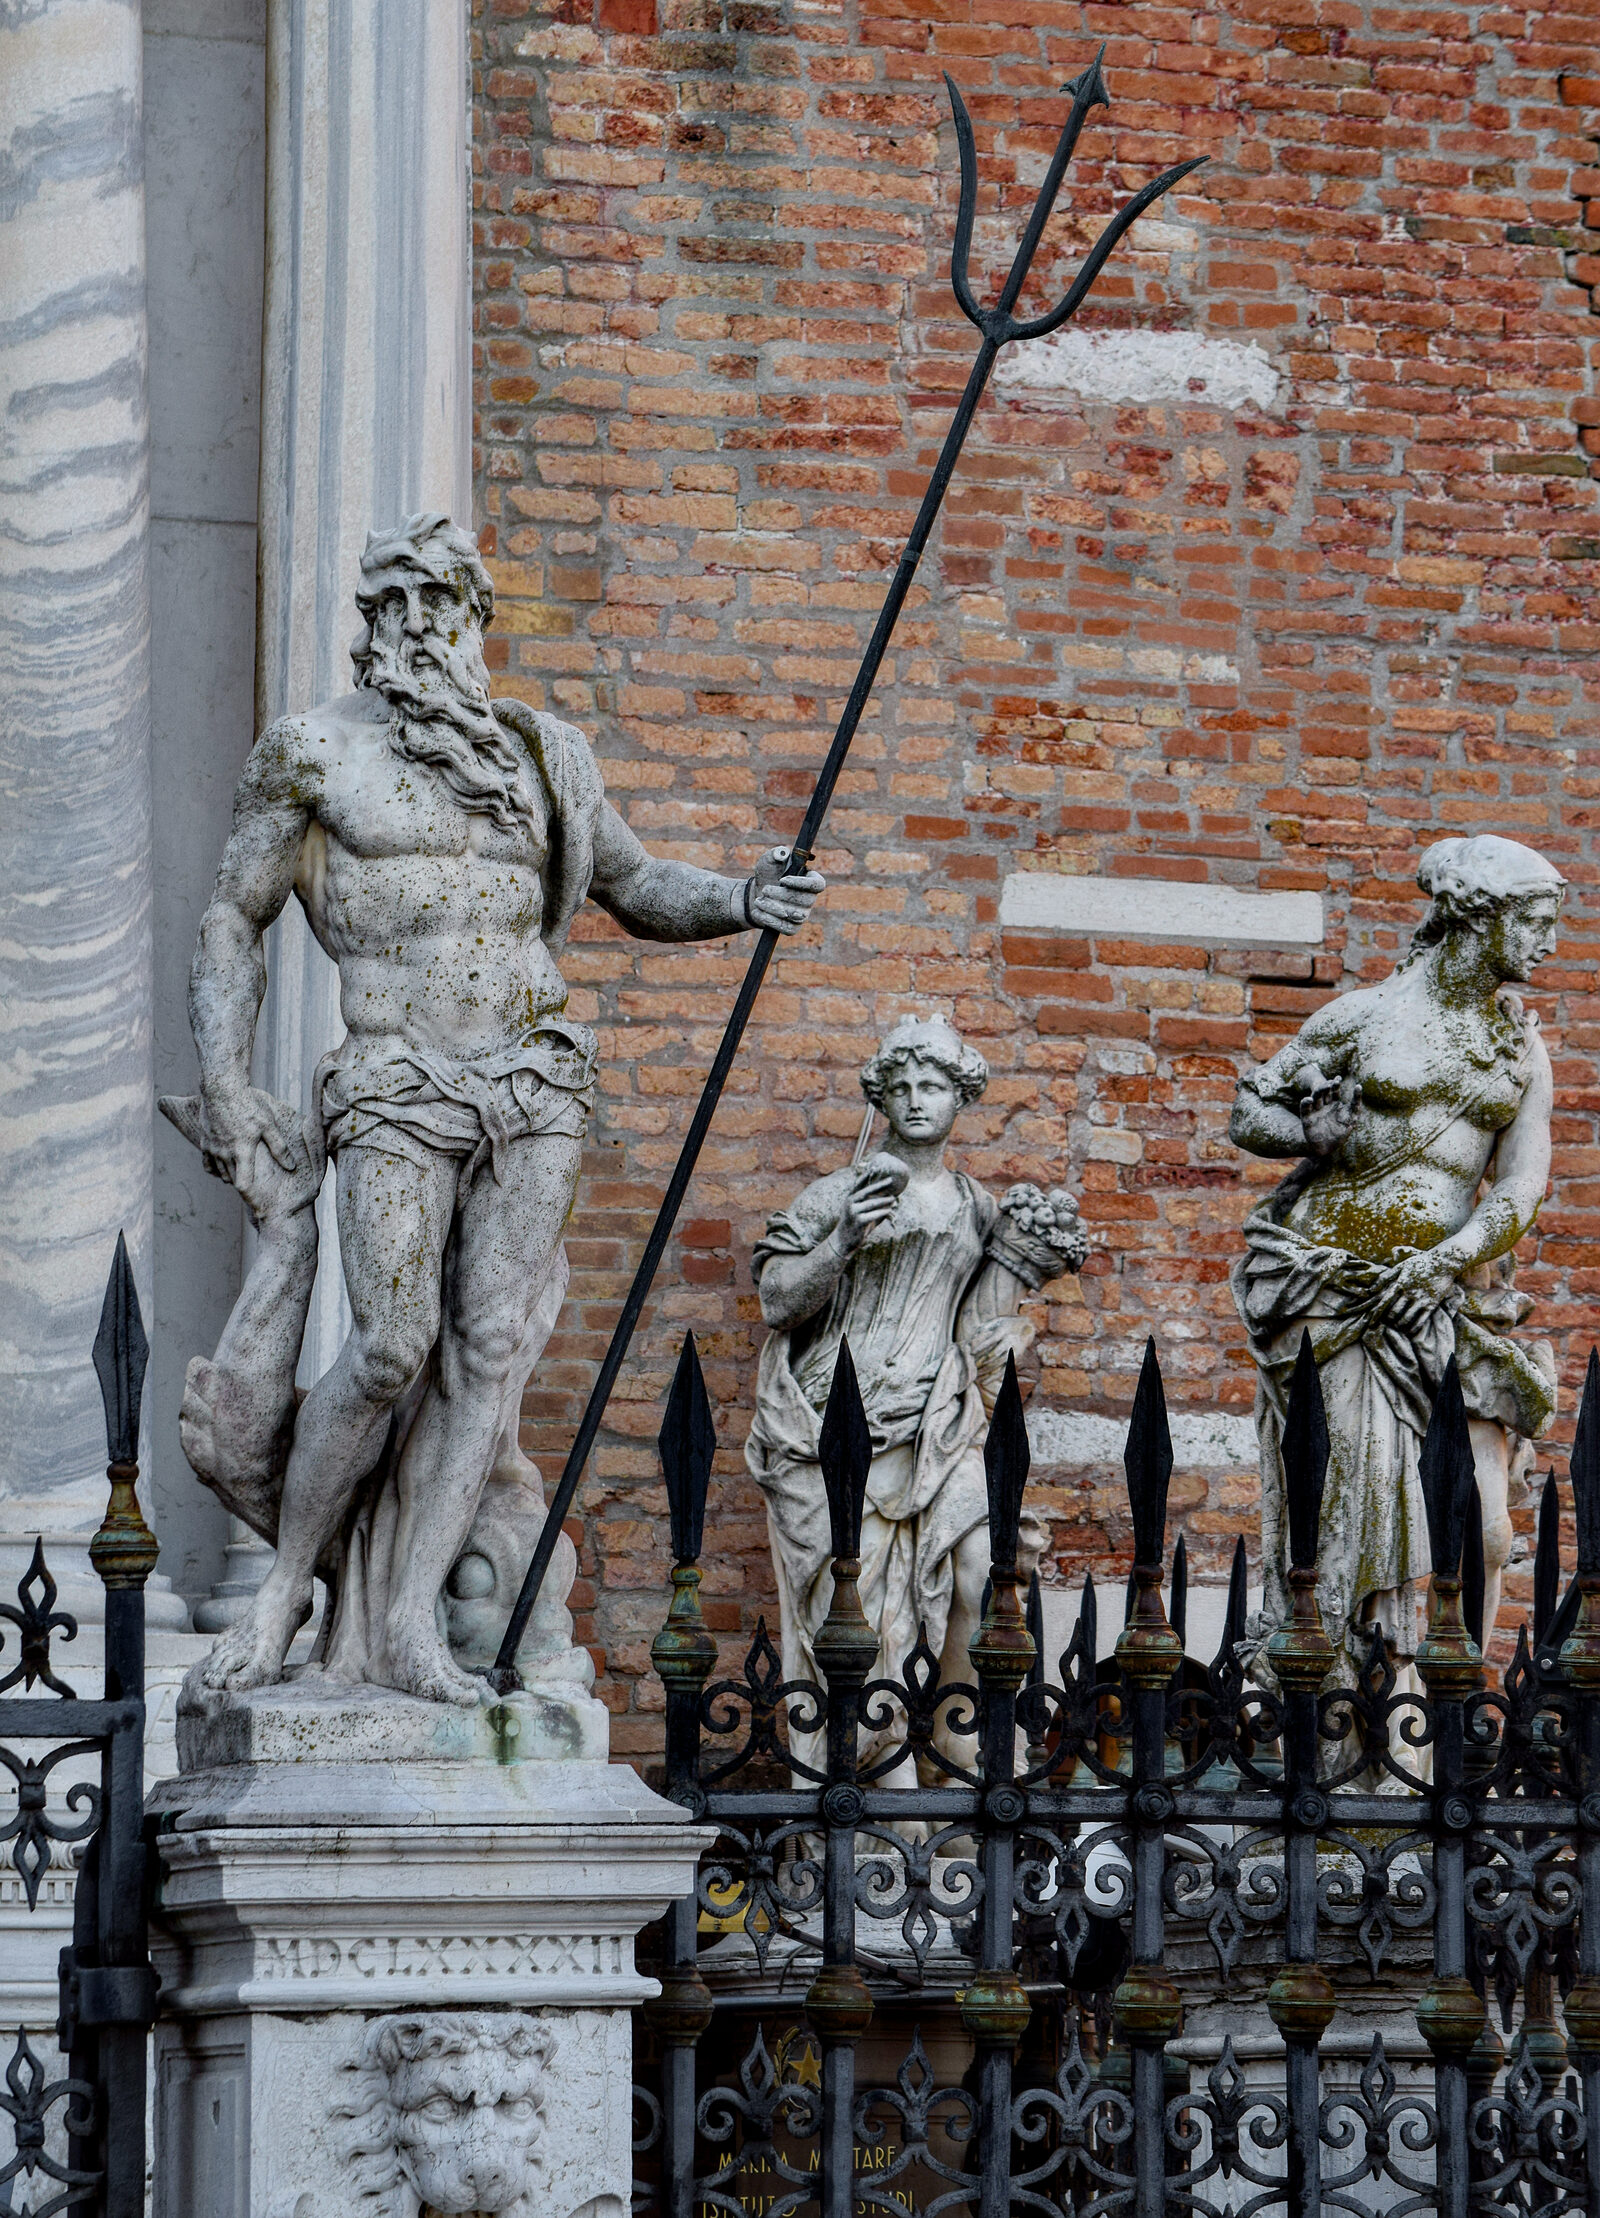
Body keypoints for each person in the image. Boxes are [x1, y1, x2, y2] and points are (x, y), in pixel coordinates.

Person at [169, 513, 824, 1705]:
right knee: (386, 1346)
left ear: (476, 619)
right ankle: (285, 1596)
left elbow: (630, 884)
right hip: (394, 1078)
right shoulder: (311, 756)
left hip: (534, 1078)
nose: (417, 625)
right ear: (369, 620)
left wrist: (740, 895)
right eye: (394, 603)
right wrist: (226, 1085)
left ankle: (414, 1620)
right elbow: (231, 921)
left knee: (490, 1353)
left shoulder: (542, 757)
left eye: (441, 601)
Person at [1230, 835, 1563, 1689]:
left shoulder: (1521, 1051)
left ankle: (1443, 1718)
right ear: (1476, 917)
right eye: (1534, 921)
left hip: (1436, 1300)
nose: (1548, 944)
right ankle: (1345, 1708)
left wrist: (1446, 1261)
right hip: (1330, 1287)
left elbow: (1520, 1188)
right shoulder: (1362, 1018)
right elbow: (1251, 1115)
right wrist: (1309, 1131)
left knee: (1483, 1522)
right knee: (1348, 1504)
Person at [745, 1014, 1086, 1781]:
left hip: (937, 1417)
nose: (916, 1100)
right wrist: (842, 1242)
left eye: (932, 1085)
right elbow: (774, 1298)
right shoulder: (838, 1192)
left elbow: (980, 1324)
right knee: (856, 1624)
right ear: (882, 1099)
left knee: (980, 1570)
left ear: (959, 1096)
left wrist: (1027, 1270)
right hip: (835, 1425)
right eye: (899, 1087)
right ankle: (863, 1787)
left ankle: (961, 1737)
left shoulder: (975, 1206)